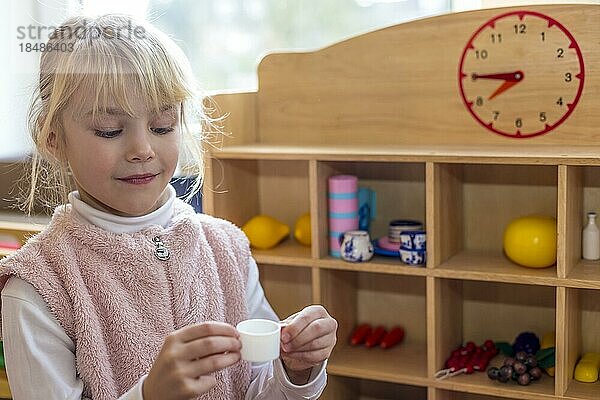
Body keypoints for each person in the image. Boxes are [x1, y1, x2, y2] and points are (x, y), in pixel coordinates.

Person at [0, 14, 337, 400]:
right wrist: (149, 395)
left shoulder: (226, 247)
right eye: (109, 130)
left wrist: (296, 371)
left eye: (162, 126)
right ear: (53, 138)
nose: (142, 149)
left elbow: (258, 386)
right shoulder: (40, 285)